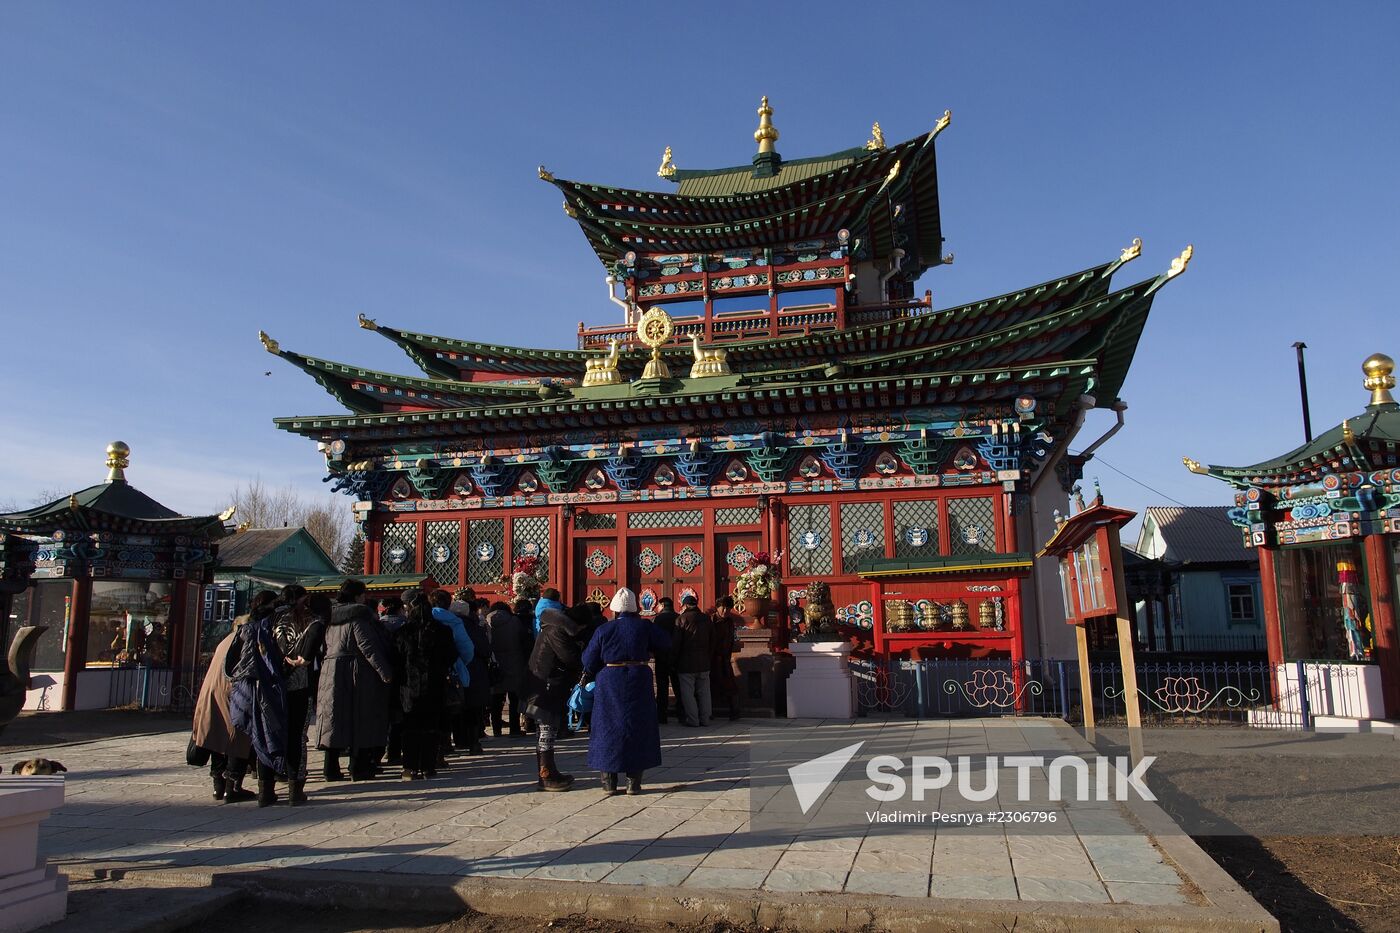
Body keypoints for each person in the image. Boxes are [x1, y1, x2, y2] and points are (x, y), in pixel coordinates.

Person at [582, 588, 672, 795]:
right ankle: (634, 782)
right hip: (639, 677)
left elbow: (588, 660)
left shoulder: (604, 630)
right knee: (638, 726)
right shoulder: (644, 626)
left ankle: (609, 782)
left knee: (607, 726)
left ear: (614, 611)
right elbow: (666, 643)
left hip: (610, 679)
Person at [315, 579, 394, 782]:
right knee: (360, 717)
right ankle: (357, 766)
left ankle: (330, 767)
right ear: (358, 595)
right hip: (355, 671)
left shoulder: (329, 618)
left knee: (333, 717)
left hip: (329, 669)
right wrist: (384, 671)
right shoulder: (357, 617)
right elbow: (367, 647)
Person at [226, 589, 289, 807]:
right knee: (266, 735)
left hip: (241, 687)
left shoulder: (242, 631)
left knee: (246, 737)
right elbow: (273, 661)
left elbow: (232, 663)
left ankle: (231, 786)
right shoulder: (267, 631)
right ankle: (266, 789)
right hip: (262, 687)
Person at [191, 612, 255, 803]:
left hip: (212, 692)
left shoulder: (225, 641)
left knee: (216, 738)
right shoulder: (244, 642)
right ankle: (232, 787)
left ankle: (218, 786)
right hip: (233, 694)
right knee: (237, 739)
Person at [392, 589, 456, 780]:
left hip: (409, 686)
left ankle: (410, 767)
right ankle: (428, 767)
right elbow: (451, 655)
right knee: (431, 727)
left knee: (410, 727)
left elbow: (395, 659)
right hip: (435, 684)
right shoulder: (443, 631)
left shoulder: (402, 632)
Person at [273, 584, 326, 805]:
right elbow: (307, 655)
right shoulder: (309, 620)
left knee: (270, 732)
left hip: (270, 683)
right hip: (298, 682)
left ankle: (267, 785)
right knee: (297, 736)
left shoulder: (269, 619)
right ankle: (296, 786)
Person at [523, 600, 585, 791]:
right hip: (546, 686)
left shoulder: (551, 628)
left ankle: (549, 770)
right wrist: (580, 649)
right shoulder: (556, 631)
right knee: (546, 730)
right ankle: (546, 775)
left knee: (546, 730)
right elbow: (569, 657)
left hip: (544, 684)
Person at [429, 589, 478, 757]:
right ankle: (445, 742)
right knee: (449, 706)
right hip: (450, 667)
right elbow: (466, 648)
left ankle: (435, 745)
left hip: (427, 669)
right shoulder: (454, 622)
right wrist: (460, 662)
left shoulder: (424, 617)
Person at [488, 600, 532, 737]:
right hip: (515, 661)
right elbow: (524, 640)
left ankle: (496, 729)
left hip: (496, 663)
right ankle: (514, 729)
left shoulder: (487, 622)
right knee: (514, 698)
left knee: (496, 699)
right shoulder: (514, 621)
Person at [672, 594, 714, 727]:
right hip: (704, 661)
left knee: (687, 693)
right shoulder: (707, 619)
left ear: (685, 605)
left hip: (686, 663)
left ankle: (693, 719)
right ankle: (705, 719)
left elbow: (676, 644)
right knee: (705, 692)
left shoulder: (681, 619)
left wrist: (673, 660)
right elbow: (713, 641)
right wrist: (709, 656)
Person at [711, 595, 742, 721]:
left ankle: (734, 711)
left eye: (727, 609)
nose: (724, 611)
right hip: (712, 658)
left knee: (730, 685)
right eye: (722, 608)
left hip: (724, 658)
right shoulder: (710, 620)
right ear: (717, 607)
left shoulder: (729, 622)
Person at [650, 597, 681, 724]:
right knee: (678, 686)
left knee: (662, 687)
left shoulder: (658, 619)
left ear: (662, 605)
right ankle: (681, 714)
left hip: (661, 656)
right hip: (676, 656)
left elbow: (654, 637)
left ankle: (662, 715)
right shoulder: (678, 617)